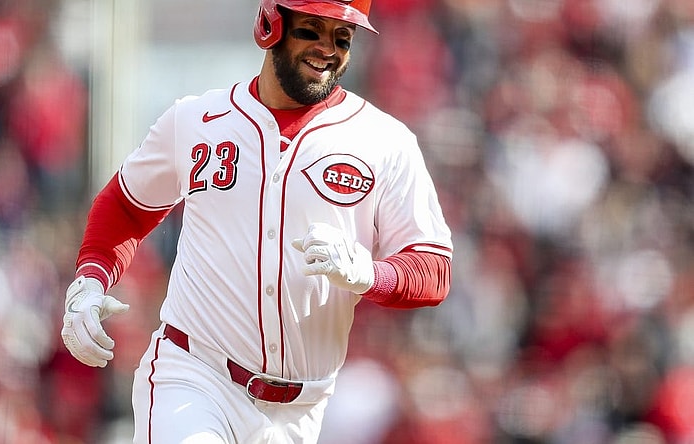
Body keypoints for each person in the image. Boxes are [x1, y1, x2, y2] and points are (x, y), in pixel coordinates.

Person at [60, 0, 453, 442]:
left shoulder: (385, 141)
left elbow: (433, 270)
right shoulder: (197, 120)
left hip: (302, 408)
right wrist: (90, 281)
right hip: (195, 376)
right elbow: (126, 205)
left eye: (341, 37)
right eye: (312, 30)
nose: (327, 49)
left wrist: (369, 273)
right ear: (271, 24)